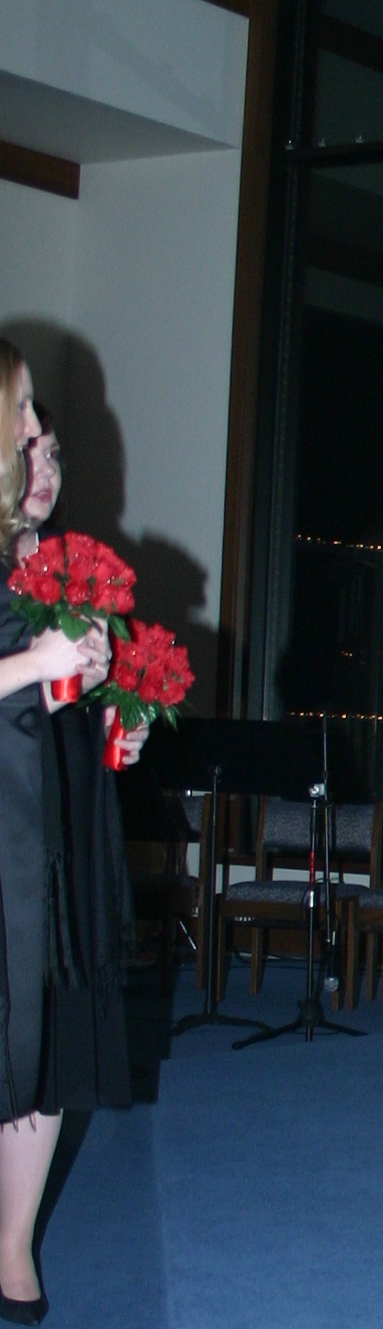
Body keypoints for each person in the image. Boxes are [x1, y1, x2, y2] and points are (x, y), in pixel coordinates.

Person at [0, 345, 112, 1329]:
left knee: (44, 1037)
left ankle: (12, 1246)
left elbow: (53, 698)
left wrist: (103, 698)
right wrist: (35, 661)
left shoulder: (48, 556)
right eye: (24, 411)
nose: (39, 433)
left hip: (44, 820)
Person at [14, 422, 148, 1116]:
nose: (46, 469)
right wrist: (39, 666)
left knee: (55, 1026)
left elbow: (72, 700)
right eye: (27, 450)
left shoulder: (71, 568)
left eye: (54, 455)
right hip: (9, 813)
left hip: (63, 810)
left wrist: (121, 726)